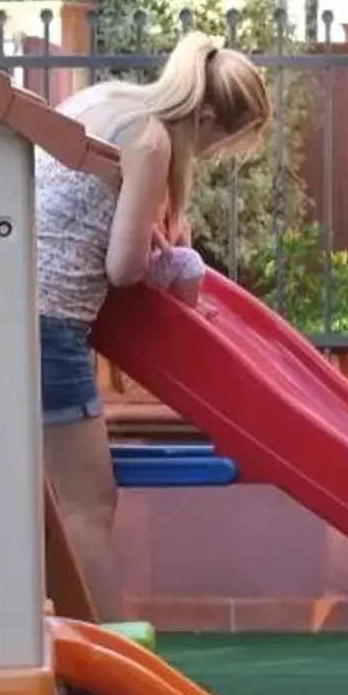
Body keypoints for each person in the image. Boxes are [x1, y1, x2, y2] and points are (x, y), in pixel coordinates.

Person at [34, 32, 273, 587]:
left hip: (2, 302)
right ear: (207, 115)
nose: (209, 154)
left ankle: (67, 644)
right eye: (216, 143)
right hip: (49, 324)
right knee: (86, 505)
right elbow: (123, 268)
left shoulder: (105, 99)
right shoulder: (152, 140)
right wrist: (153, 247)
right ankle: (105, 657)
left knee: (38, 500)